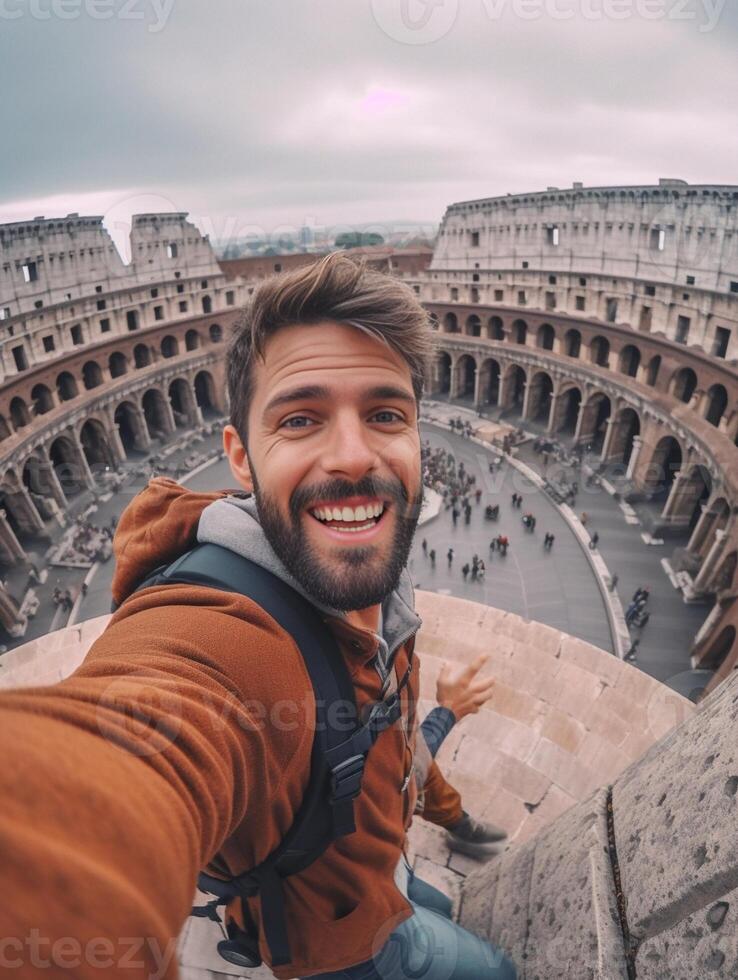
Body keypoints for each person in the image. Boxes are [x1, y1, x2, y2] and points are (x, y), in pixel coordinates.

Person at [0, 255, 516, 980]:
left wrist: (448, 724)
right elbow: (147, 740)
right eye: (301, 418)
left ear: (416, 439)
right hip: (343, 951)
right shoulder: (219, 636)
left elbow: (387, 757)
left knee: (436, 906)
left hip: (382, 879)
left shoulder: (379, 608)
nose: (351, 455)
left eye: (386, 414)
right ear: (240, 458)